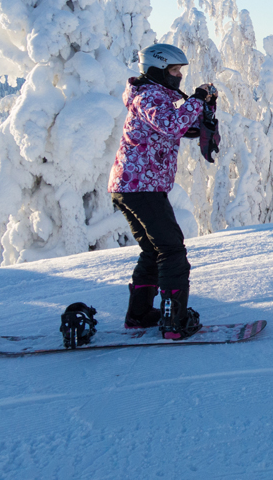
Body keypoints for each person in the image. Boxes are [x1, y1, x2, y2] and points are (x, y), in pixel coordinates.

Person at [108, 43, 217, 340]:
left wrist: (204, 110)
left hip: (134, 186)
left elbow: (181, 127)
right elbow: (170, 125)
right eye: (174, 70)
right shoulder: (149, 96)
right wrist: (196, 100)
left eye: (180, 70)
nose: (179, 75)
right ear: (158, 70)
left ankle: (140, 314)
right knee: (171, 250)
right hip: (141, 187)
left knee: (154, 250)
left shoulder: (155, 96)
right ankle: (174, 321)